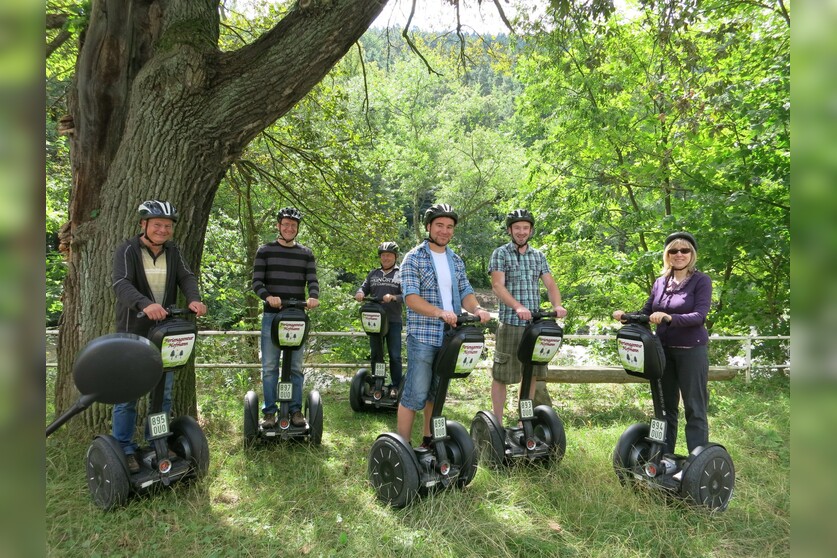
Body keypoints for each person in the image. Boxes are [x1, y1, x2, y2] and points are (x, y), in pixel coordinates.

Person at [111, 200, 208, 473]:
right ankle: (125, 450)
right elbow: (121, 284)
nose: (163, 230)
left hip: (164, 332)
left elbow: (187, 278)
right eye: (157, 225)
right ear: (144, 225)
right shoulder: (128, 250)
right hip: (133, 331)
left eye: (167, 226)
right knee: (127, 394)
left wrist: (194, 299)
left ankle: (157, 444)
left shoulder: (173, 251)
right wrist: (145, 303)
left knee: (162, 394)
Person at [398, 203, 491, 447]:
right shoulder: (413, 258)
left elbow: (465, 292)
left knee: (437, 392)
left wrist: (477, 309)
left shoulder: (455, 260)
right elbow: (411, 298)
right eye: (440, 225)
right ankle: (402, 447)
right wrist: (439, 312)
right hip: (423, 336)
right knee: (415, 394)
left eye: (449, 227)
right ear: (429, 226)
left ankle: (428, 441)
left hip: (450, 336)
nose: (445, 230)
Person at [612, 231, 712, 454]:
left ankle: (697, 460)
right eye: (673, 251)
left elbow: (700, 315)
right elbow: (647, 311)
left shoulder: (701, 281)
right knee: (664, 408)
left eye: (684, 250)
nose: (679, 254)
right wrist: (625, 316)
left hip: (691, 352)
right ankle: (662, 455)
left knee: (694, 407)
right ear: (667, 255)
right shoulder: (660, 282)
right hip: (662, 352)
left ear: (692, 254)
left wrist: (669, 318)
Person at [489, 209, 567, 426]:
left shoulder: (538, 256)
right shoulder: (500, 253)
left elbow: (550, 285)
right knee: (501, 374)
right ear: (510, 230)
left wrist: (557, 305)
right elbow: (497, 285)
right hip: (511, 322)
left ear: (531, 230)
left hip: (534, 326)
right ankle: (496, 422)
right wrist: (517, 306)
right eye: (517, 228)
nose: (521, 232)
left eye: (525, 228)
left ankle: (524, 420)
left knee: (531, 373)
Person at [252, 207, 320, 429]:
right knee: (270, 366)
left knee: (296, 367)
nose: (290, 228)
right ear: (279, 226)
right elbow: (257, 283)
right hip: (273, 316)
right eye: (286, 224)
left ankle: (295, 410)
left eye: (294, 225)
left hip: (296, 316)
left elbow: (312, 281)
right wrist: (268, 297)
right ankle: (270, 412)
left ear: (297, 228)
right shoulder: (265, 251)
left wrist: (313, 297)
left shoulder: (306, 253)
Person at [354, 241, 404, 398]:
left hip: (393, 320)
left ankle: (395, 385)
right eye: (383, 255)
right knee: (376, 353)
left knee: (395, 355)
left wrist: (394, 297)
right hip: (375, 321)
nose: (386, 258)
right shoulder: (373, 274)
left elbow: (408, 296)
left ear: (395, 257)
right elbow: (363, 288)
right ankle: (378, 382)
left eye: (389, 255)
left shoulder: (401, 274)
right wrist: (360, 293)